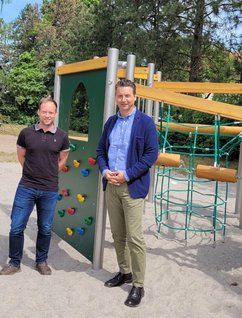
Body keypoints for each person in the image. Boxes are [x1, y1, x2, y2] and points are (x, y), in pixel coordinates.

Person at [96, 78, 158, 307]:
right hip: (111, 185)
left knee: (135, 238)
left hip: (132, 186)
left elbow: (151, 155)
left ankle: (138, 285)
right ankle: (125, 272)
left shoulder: (145, 123)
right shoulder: (110, 122)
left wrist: (128, 174)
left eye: (127, 96)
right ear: (116, 98)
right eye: (120, 96)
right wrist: (104, 171)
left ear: (135, 97)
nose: (123, 100)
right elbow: (101, 150)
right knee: (118, 235)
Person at [0, 97, 70, 276]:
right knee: (16, 226)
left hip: (50, 189)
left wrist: (50, 173)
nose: (47, 115)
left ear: (55, 114)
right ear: (38, 112)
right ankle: (14, 262)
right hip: (27, 186)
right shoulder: (26, 133)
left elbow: (63, 159)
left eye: (51, 112)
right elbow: (21, 156)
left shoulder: (62, 136)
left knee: (45, 228)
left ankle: (41, 261)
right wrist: (32, 172)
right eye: (44, 111)